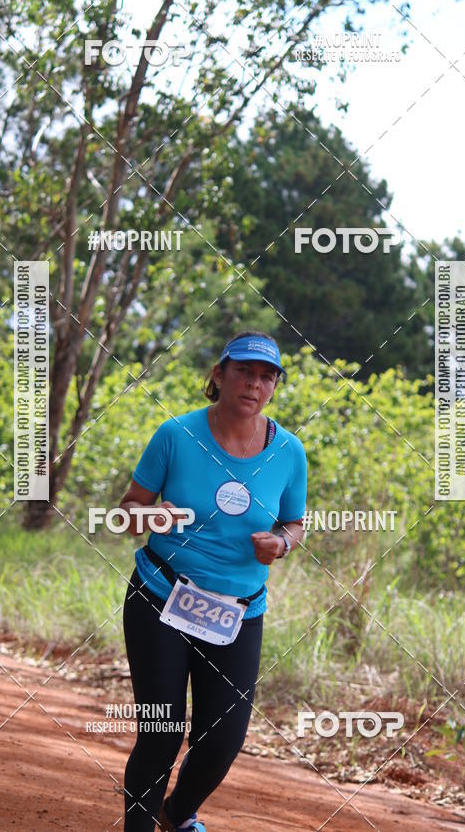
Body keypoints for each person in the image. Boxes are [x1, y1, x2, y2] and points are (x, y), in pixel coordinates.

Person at [120, 330, 307, 831]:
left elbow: (294, 522)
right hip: (162, 594)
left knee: (223, 738)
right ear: (219, 374)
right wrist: (151, 517)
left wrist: (282, 543)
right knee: (161, 732)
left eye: (267, 376)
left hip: (238, 609)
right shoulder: (175, 436)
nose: (255, 383)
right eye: (245, 370)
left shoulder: (289, 451)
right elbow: (128, 510)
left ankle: (177, 815)